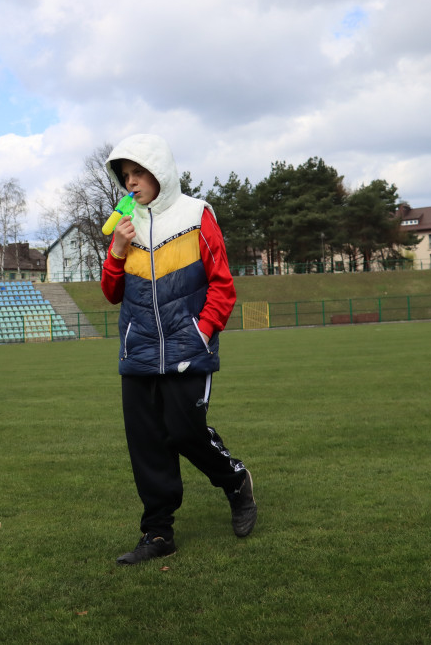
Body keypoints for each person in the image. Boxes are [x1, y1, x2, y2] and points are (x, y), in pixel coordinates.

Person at [100, 133, 257, 565]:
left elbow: (222, 285)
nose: (131, 183)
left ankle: (235, 481)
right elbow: (112, 293)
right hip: (139, 354)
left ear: (160, 172)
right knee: (147, 443)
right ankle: (158, 533)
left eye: (138, 173)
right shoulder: (124, 228)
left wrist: (202, 332)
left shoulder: (196, 215)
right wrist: (116, 251)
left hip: (189, 348)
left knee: (185, 432)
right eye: (125, 176)